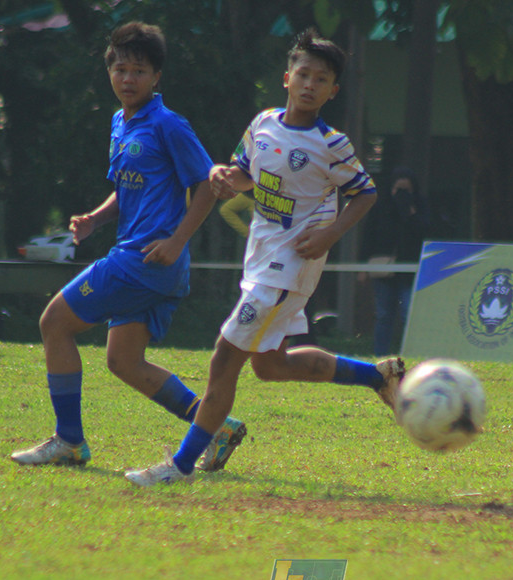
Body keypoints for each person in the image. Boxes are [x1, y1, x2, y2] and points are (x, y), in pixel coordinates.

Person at [125, 28, 404, 488]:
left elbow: (365, 194)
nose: (310, 84)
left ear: (333, 91)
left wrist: (329, 235)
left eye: (321, 79)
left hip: (290, 267)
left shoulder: (331, 144)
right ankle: (377, 376)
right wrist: (223, 177)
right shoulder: (263, 124)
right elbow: (243, 175)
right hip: (261, 257)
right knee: (270, 365)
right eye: (304, 74)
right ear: (287, 78)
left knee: (224, 358)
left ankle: (181, 465)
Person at [10, 22, 245, 467]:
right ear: (109, 73)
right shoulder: (121, 122)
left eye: (139, 70)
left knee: (54, 322)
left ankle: (69, 441)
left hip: (143, 261)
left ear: (157, 76)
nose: (128, 78)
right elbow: (127, 187)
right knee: (123, 361)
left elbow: (206, 184)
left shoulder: (168, 124)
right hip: (146, 260)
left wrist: (177, 241)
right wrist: (95, 219)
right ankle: (216, 427)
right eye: (120, 69)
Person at [359, 166, 430, 355]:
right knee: (384, 315)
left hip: (410, 271)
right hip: (384, 270)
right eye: (398, 190)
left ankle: (410, 353)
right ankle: (380, 354)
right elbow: (368, 236)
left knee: (408, 313)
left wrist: (412, 215)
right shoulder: (380, 207)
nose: (401, 195)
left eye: (407, 190)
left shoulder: (420, 206)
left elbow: (426, 231)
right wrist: (362, 267)